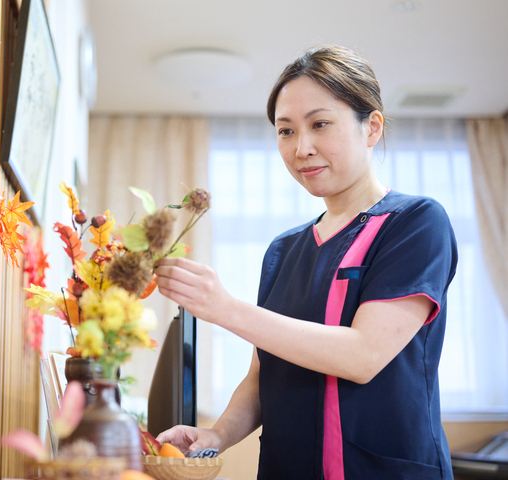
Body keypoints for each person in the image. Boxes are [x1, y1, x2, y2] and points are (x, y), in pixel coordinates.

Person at [154, 45, 457, 480]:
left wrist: (225, 309)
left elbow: (363, 355)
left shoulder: (415, 223)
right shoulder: (283, 250)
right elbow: (263, 377)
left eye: (320, 124)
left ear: (371, 128)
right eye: (286, 131)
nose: (302, 148)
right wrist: (217, 435)